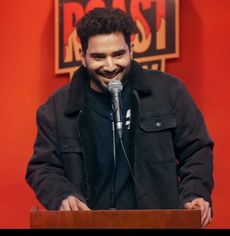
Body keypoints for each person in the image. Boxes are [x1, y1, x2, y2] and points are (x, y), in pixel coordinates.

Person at [25, 7, 214, 228]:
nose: (110, 66)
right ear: (83, 57)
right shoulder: (56, 108)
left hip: (158, 224)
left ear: (131, 51)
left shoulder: (169, 91)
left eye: (118, 54)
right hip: (88, 225)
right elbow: (43, 167)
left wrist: (194, 194)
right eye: (98, 57)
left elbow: (197, 150)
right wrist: (62, 195)